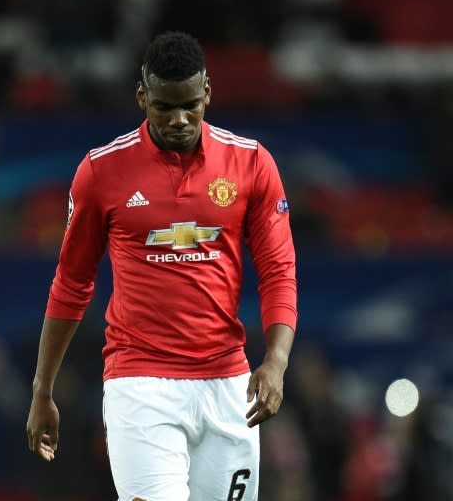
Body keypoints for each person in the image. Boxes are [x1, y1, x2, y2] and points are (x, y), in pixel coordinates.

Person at [26, 31, 297, 501]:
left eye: (190, 105)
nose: (179, 119)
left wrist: (275, 361)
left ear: (208, 93)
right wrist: (42, 388)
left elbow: (278, 271)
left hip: (228, 384)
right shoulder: (101, 172)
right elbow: (72, 284)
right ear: (141, 97)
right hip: (140, 384)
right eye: (164, 107)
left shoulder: (252, 164)